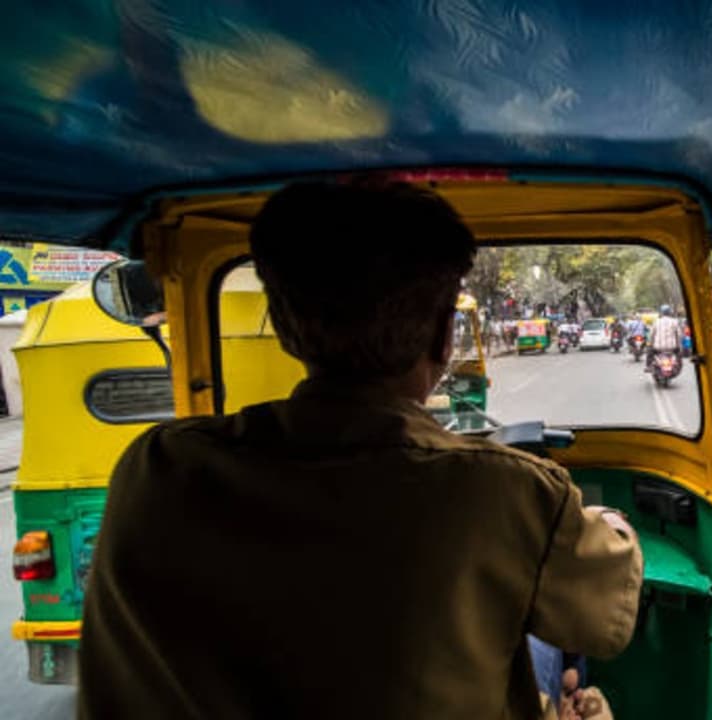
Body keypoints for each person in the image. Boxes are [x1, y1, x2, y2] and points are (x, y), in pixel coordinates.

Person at [78, 182, 642, 719]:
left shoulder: (157, 471)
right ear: (444, 338)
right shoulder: (511, 493)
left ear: (285, 327)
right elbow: (601, 622)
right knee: (550, 648)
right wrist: (611, 524)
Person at [647, 303, 682, 370]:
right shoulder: (675, 322)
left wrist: (650, 344)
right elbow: (679, 335)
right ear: (669, 312)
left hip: (658, 347)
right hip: (672, 347)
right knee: (679, 355)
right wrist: (679, 345)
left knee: (649, 352)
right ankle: (678, 367)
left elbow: (651, 335)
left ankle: (648, 366)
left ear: (661, 313)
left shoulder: (656, 322)